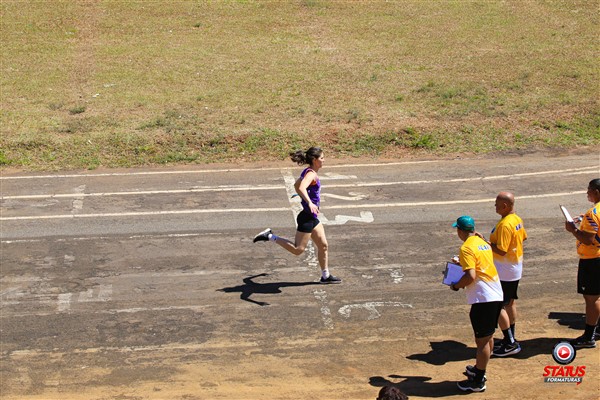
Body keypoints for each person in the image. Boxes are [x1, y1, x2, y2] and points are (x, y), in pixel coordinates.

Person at [253, 147, 341, 284]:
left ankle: (325, 276)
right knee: (297, 250)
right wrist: (309, 202)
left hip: (312, 218)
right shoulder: (311, 174)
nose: (324, 160)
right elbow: (301, 187)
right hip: (307, 218)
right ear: (314, 160)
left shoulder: (308, 171)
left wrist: (306, 201)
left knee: (323, 245)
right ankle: (269, 236)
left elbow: (296, 185)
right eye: (322, 158)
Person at [449, 216, 503, 393]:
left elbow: (470, 276)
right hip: (495, 293)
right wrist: (462, 263)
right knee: (488, 338)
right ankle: (480, 369)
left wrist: (456, 285)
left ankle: (478, 380)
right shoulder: (482, 243)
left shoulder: (466, 247)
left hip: (483, 299)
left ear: (460, 231)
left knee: (482, 342)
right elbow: (480, 265)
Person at [477, 192, 527, 357]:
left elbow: (501, 250)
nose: (495, 206)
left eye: (497, 204)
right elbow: (523, 238)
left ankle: (510, 342)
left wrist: (485, 243)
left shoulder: (505, 224)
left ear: (505, 206)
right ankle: (510, 337)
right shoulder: (516, 219)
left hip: (505, 271)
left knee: (498, 306)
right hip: (514, 268)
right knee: (510, 303)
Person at [564, 178, 600, 348]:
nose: (587, 193)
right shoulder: (592, 214)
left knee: (592, 299)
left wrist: (573, 230)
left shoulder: (593, 213)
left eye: (589, 190)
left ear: (596, 192)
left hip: (593, 260)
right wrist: (582, 218)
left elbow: (588, 239)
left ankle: (588, 337)